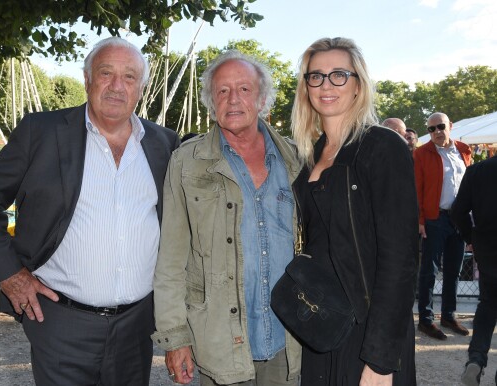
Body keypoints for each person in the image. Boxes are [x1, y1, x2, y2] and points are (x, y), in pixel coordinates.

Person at [0, 37, 179, 386]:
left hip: (137, 327)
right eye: (106, 73)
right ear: (87, 79)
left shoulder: (165, 144)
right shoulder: (42, 132)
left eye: (128, 77)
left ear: (141, 87)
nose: (116, 86)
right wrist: (10, 273)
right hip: (61, 322)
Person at [152, 50, 302, 385]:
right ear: (211, 101)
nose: (233, 99)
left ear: (262, 99)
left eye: (244, 89)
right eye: (222, 91)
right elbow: (171, 260)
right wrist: (175, 337)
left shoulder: (296, 159)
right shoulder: (186, 163)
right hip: (219, 343)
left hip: (289, 342)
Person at [290, 37, 417, 385]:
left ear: (358, 84)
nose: (326, 85)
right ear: (306, 86)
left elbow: (400, 260)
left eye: (339, 75)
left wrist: (380, 360)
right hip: (322, 322)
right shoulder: (310, 156)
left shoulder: (381, 147)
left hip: (368, 330)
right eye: (316, 76)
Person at [413, 112, 472, 341]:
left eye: (440, 126)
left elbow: (469, 186)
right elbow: (416, 189)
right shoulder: (422, 153)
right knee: (429, 271)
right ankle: (426, 320)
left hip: (459, 218)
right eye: (431, 129)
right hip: (434, 219)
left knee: (454, 270)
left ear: (450, 126)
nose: (437, 132)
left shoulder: (464, 150)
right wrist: (419, 220)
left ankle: (448, 315)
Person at [451, 155, 497, 386]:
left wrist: (471, 239)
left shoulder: (477, 171)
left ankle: (476, 360)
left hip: (488, 248)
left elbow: (458, 211)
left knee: (488, 305)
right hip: (486, 247)